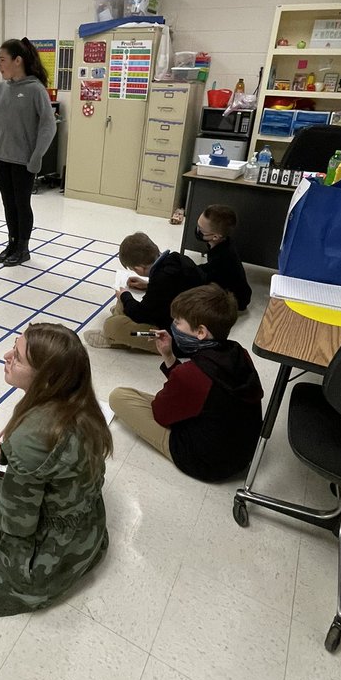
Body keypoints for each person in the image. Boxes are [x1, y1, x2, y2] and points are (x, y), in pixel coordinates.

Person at [0, 324, 110, 617]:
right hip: (85, 527)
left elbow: (17, 523)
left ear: (45, 378)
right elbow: (57, 465)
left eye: (17, 357)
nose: (5, 356)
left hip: (47, 551)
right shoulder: (83, 407)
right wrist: (6, 455)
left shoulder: (33, 434)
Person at [109, 284, 263, 482]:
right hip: (240, 454)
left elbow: (161, 414)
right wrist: (169, 356)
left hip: (206, 463)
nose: (173, 326)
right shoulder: (239, 352)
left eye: (178, 322)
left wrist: (177, 376)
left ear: (200, 332)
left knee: (119, 396)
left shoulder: (192, 374)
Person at [0, 38, 56, 266]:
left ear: (18, 60)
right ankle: (12, 242)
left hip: (23, 161)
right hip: (2, 158)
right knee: (8, 203)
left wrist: (37, 156)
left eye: (2, 60)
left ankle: (23, 247)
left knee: (22, 204)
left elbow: (48, 125)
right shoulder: (0, 90)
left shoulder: (35, 90)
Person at [84, 231, 202, 351]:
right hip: (190, 325)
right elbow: (172, 287)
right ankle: (121, 324)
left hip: (176, 341)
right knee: (122, 305)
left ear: (138, 268)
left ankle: (113, 338)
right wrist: (147, 285)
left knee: (112, 325)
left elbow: (141, 315)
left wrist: (125, 296)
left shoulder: (160, 281)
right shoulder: (177, 258)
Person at [193, 204, 251, 310]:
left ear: (215, 236)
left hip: (236, 300)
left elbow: (209, 279)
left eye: (201, 229)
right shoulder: (222, 243)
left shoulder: (223, 258)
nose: (197, 230)